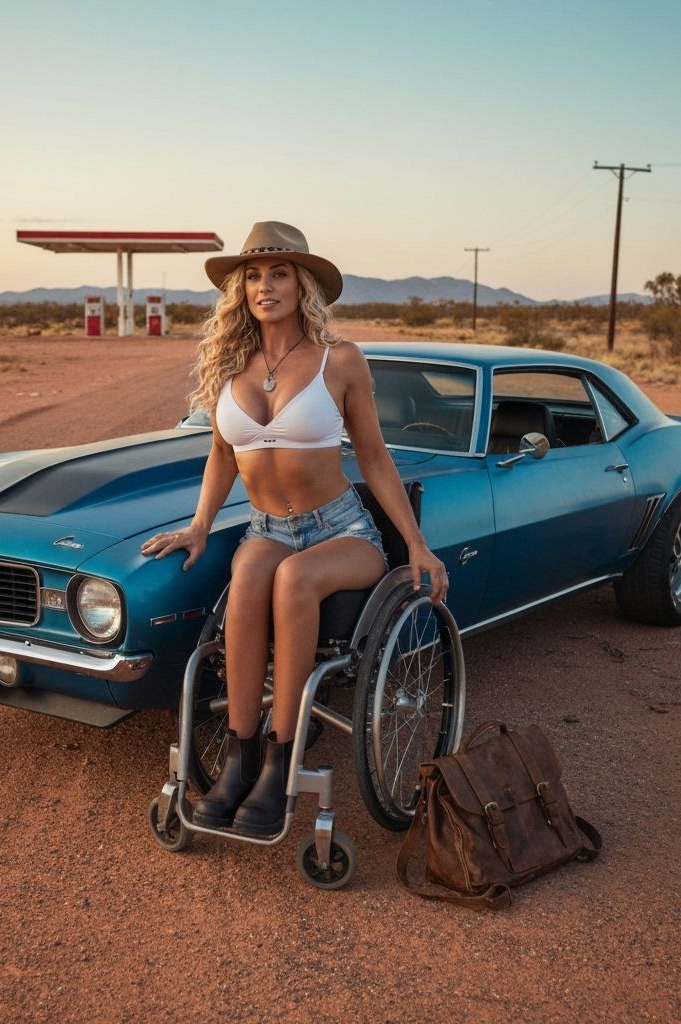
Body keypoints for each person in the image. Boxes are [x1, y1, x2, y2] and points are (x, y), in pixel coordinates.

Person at [140, 221, 448, 838]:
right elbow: (223, 457)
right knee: (249, 572)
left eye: (278, 273)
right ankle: (240, 755)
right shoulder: (231, 366)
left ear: (302, 283)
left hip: (342, 533)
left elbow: (375, 459)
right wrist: (200, 526)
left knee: (293, 580)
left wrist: (415, 542)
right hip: (267, 526)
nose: (265, 286)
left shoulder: (341, 362)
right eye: (253, 276)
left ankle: (284, 760)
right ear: (240, 291)